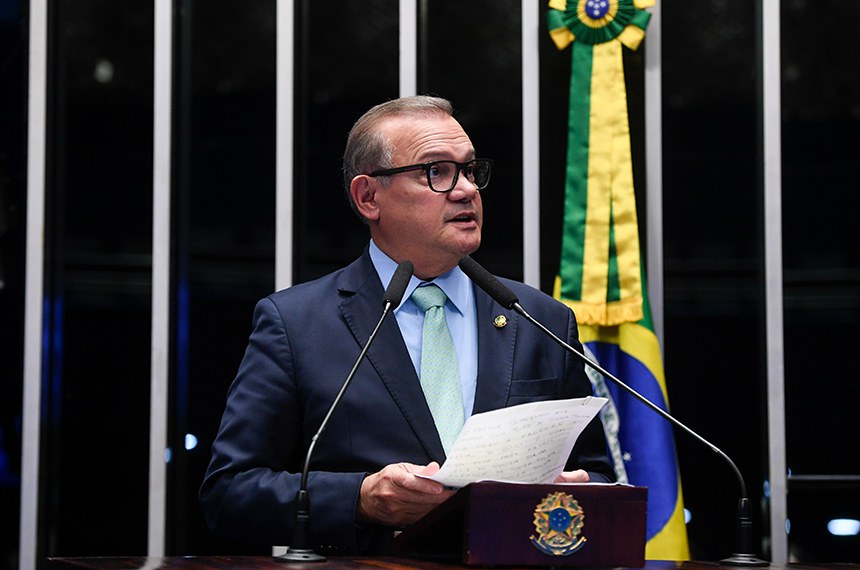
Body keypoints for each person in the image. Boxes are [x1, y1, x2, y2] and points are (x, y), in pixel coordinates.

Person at [199, 95, 614, 555]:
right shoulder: (297, 324)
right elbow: (229, 493)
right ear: (368, 197)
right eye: (436, 172)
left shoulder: (539, 319)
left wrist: (577, 490)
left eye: (470, 170)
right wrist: (360, 499)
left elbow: (599, 474)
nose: (466, 190)